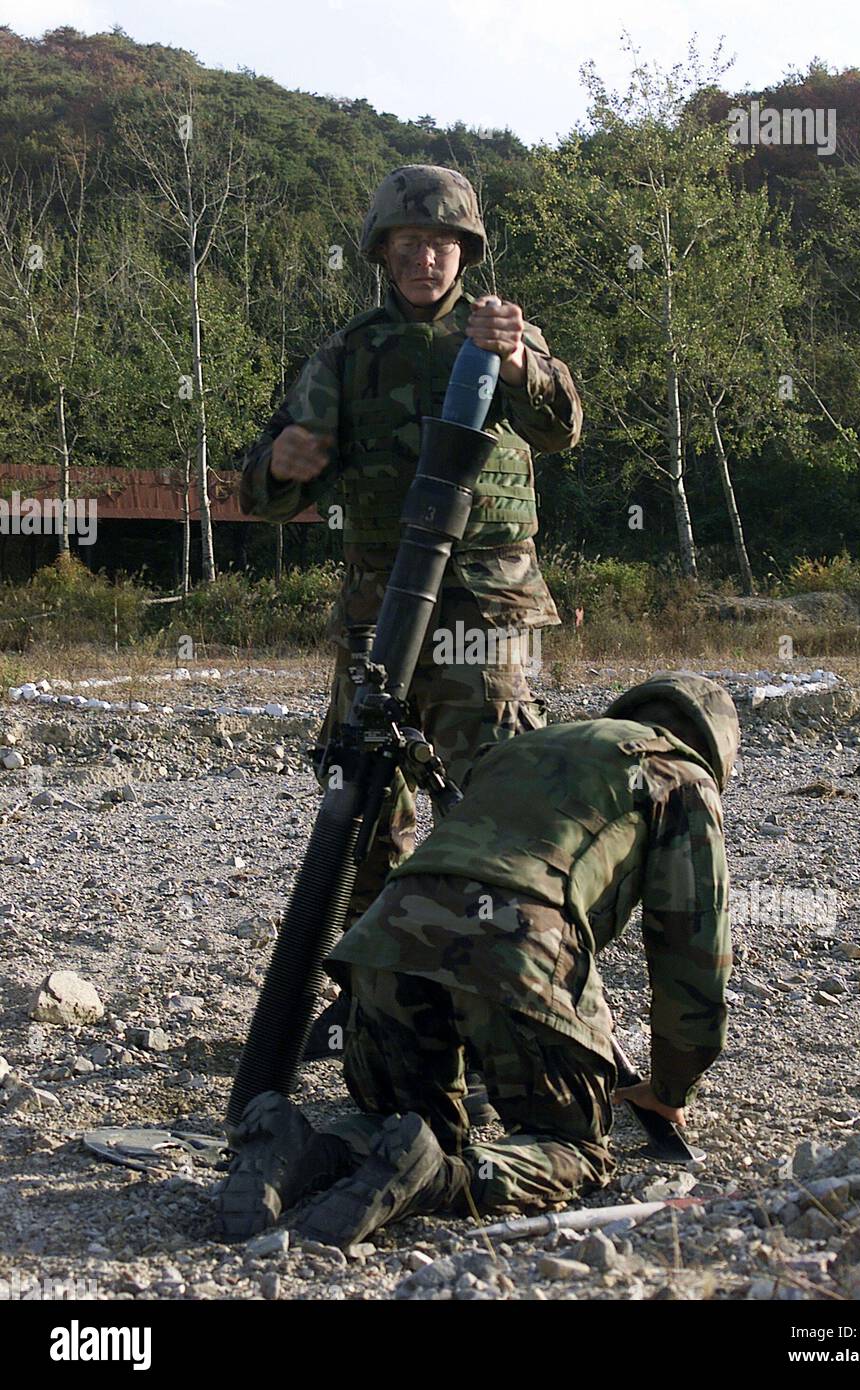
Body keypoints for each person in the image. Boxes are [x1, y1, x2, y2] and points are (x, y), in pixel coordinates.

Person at [238, 165, 582, 1058]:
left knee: (497, 802)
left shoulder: (502, 334)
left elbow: (562, 428)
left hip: (488, 605)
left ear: (463, 251)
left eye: (440, 244)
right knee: (364, 804)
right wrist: (284, 462)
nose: (424, 258)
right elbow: (266, 486)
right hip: (379, 608)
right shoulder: (347, 355)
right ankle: (372, 1001)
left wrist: (515, 360)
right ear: (383, 256)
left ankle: (512, 993)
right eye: (406, 245)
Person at [217, 673, 740, 1246]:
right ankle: (443, 1178)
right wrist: (671, 1087)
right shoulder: (682, 777)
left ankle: (303, 1149)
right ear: (715, 753)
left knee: (415, 1127)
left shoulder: (528, 746)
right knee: (574, 1149)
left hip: (387, 939)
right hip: (516, 939)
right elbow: (692, 951)